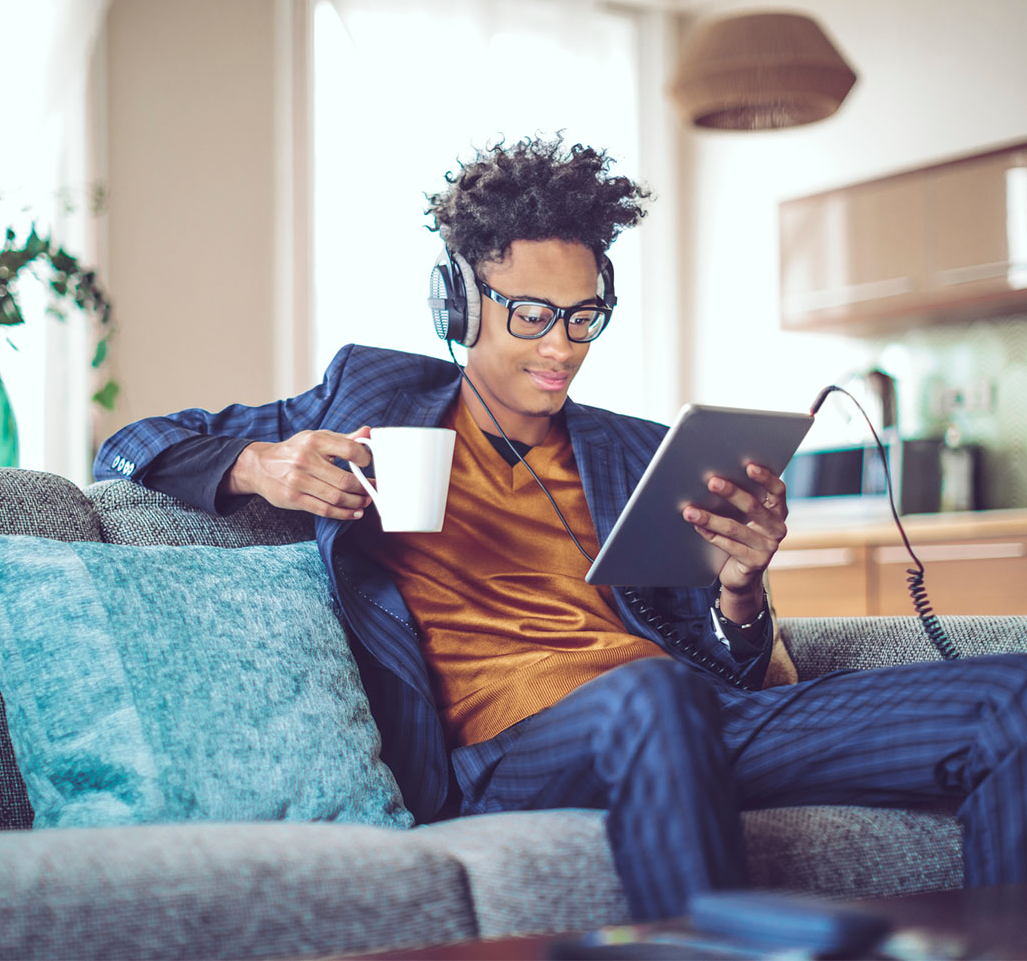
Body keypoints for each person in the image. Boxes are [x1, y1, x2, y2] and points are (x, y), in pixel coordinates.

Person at [95, 136, 1027, 921]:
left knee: (1012, 699)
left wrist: (741, 592)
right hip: (507, 755)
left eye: (585, 316)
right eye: (533, 314)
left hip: (692, 719)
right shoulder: (372, 393)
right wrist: (264, 464)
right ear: (459, 305)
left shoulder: (638, 452)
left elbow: (731, 668)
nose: (562, 347)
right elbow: (130, 445)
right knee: (654, 700)